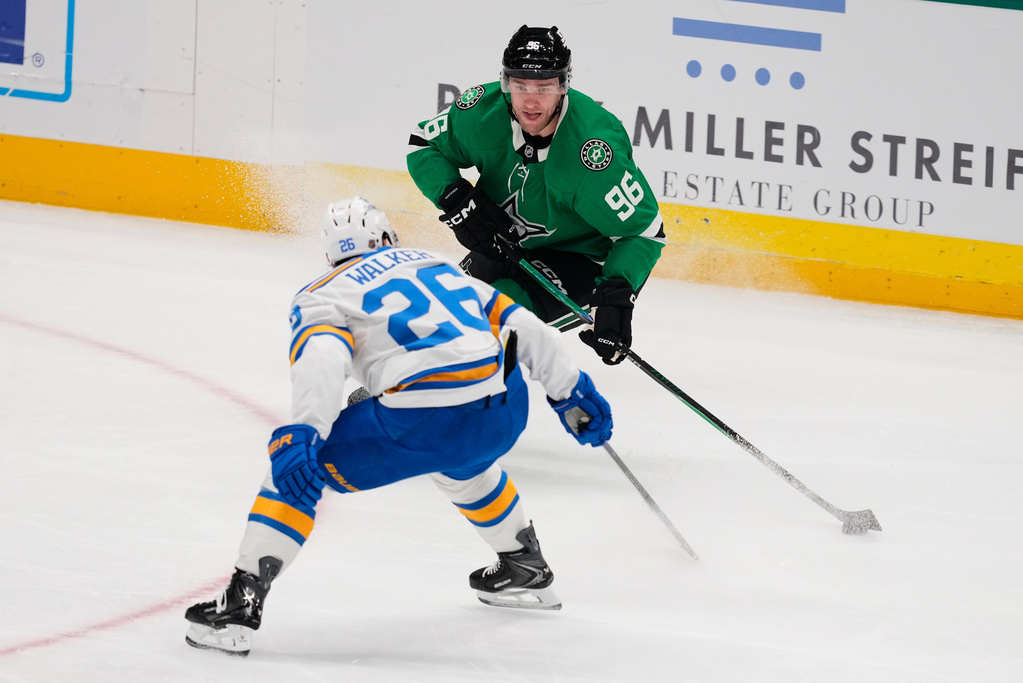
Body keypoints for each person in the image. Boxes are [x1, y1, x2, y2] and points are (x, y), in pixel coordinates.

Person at [184, 197, 614, 656]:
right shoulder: (434, 263)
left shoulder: (322, 293)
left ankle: (239, 605)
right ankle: (524, 566)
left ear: (330, 253)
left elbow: (322, 360)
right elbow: (521, 324)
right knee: (463, 464)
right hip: (505, 409)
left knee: (294, 473)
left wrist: (306, 432)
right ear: (387, 237)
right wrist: (569, 391)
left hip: (423, 419)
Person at [407, 25, 665, 366]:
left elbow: (644, 232)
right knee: (440, 312)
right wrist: (456, 198)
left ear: (563, 85)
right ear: (505, 83)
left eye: (544, 88)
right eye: (520, 86)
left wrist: (616, 293)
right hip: (507, 242)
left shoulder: (593, 152)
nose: (530, 101)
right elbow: (424, 144)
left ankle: (431, 389)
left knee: (488, 324)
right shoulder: (482, 112)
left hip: (581, 260)